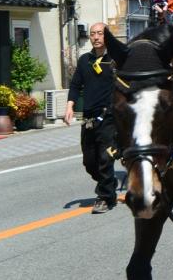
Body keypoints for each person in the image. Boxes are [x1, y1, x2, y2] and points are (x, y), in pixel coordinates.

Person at [65, 23, 117, 214]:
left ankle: (104, 197)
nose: (96, 37)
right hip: (88, 118)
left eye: (100, 34)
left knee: (105, 159)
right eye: (93, 34)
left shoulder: (114, 60)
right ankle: (108, 185)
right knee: (90, 162)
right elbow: (75, 85)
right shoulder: (84, 60)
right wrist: (70, 104)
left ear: (107, 36)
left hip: (109, 117)